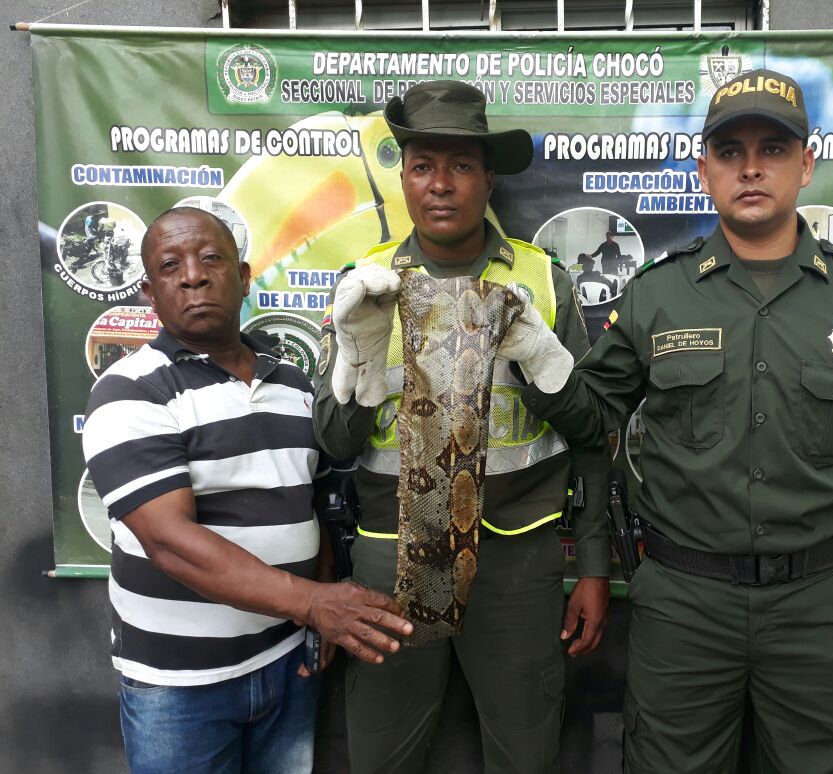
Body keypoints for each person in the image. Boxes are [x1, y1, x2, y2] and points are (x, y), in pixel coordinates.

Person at [515, 69, 833, 773]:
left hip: (819, 605)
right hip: (685, 606)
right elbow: (591, 416)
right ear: (704, 171)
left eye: (773, 148)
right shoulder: (657, 297)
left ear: (806, 162)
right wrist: (534, 356)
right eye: (729, 151)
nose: (751, 167)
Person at [313, 80, 611, 774]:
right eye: (423, 166)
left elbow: (595, 434)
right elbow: (333, 442)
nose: (440, 185)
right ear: (404, 178)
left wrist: (593, 567)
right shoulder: (365, 283)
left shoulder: (542, 280)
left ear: (488, 178)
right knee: (383, 752)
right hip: (392, 556)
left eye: (461, 166)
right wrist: (357, 357)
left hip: (518, 559)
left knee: (525, 749)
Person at [82, 206, 412, 774]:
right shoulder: (130, 391)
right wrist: (315, 604)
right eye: (170, 266)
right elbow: (170, 542)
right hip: (182, 689)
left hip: (288, 665)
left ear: (245, 275)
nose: (193, 275)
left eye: (211, 258)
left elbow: (309, 505)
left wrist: (318, 609)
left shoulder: (292, 383)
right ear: (149, 292)